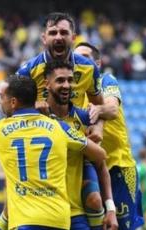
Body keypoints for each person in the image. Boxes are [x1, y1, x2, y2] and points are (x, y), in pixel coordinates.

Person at [0, 76, 107, 230]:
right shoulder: (59, 127)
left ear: (13, 102)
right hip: (59, 219)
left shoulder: (0, 129)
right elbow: (100, 154)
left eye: (2, 97)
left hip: (25, 220)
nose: (0, 101)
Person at [75, 42, 144, 230]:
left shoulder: (106, 80)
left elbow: (112, 108)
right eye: (76, 58)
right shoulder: (73, 91)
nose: (79, 61)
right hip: (89, 169)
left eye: (85, 57)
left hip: (119, 166)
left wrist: (98, 109)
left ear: (97, 63)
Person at [43, 60, 118, 229]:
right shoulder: (35, 118)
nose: (67, 85)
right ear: (47, 84)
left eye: (70, 80)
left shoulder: (85, 118)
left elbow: (101, 165)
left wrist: (111, 209)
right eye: (60, 80)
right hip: (43, 212)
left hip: (75, 212)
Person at [16, 12, 104, 110]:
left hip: (76, 124)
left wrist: (98, 124)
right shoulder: (27, 71)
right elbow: (14, 109)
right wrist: (33, 107)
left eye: (64, 32)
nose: (58, 37)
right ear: (44, 38)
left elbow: (98, 105)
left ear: (73, 38)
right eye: (53, 33)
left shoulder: (89, 68)